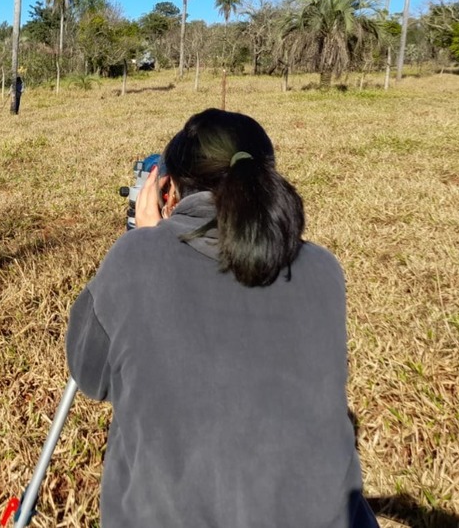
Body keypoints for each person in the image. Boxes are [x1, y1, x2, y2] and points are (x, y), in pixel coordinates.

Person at [66, 108, 379, 527]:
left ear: (168, 189)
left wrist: (143, 240)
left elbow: (90, 375)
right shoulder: (324, 268)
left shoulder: (136, 260)